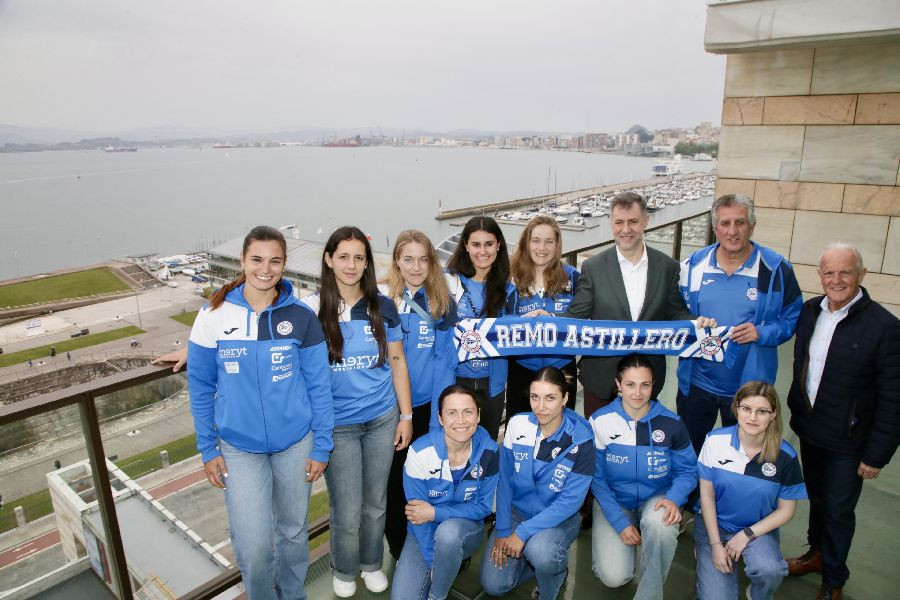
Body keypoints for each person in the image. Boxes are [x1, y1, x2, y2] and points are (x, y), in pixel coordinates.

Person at [186, 225, 334, 600]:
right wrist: (207, 448)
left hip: (296, 444)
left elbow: (319, 385)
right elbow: (200, 386)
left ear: (284, 264)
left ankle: (293, 595)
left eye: (274, 261)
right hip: (238, 448)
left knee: (293, 533)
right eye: (257, 259)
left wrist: (322, 446)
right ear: (242, 260)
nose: (265, 269)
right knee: (253, 547)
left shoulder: (301, 316)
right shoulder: (213, 315)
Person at [300, 226, 414, 598]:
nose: (351, 265)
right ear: (329, 259)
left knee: (376, 503)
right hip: (338, 426)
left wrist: (406, 416)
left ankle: (371, 563)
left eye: (359, 258)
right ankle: (345, 568)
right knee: (346, 508)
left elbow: (397, 361)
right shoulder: (310, 310)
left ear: (367, 263)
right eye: (343, 257)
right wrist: (196, 349)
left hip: (382, 419)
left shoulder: (383, 306)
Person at [783, 242, 898, 600]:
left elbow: (894, 398)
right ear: (820, 276)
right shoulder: (810, 311)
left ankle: (833, 580)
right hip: (811, 429)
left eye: (845, 272)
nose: (836, 280)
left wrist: (876, 455)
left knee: (838, 510)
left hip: (849, 441)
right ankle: (816, 554)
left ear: (862, 274)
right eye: (829, 272)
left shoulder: (885, 327)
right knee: (817, 500)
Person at [567, 191, 714, 418]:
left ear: (646, 220)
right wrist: (545, 320)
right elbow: (576, 315)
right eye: (619, 222)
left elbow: (675, 312)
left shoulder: (667, 267)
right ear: (611, 224)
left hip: (647, 380)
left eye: (633, 221)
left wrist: (696, 323)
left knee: (642, 437)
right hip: (601, 379)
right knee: (598, 438)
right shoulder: (593, 267)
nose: (626, 229)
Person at [677, 194, 802, 456]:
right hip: (696, 385)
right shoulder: (693, 266)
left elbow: (792, 316)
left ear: (752, 226)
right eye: (725, 223)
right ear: (715, 228)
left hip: (749, 391)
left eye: (740, 222)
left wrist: (761, 333)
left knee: (741, 458)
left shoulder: (775, 269)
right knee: (690, 455)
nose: (732, 231)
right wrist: (691, 323)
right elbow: (676, 312)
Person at [480, 366, 595, 599]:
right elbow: (505, 481)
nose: (541, 406)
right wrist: (503, 529)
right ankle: (535, 561)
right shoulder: (517, 425)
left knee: (541, 552)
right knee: (494, 585)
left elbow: (570, 502)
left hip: (558, 519)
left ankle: (553, 573)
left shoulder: (581, 437)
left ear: (565, 398)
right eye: (535, 397)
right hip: (516, 514)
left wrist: (522, 534)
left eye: (550, 398)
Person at [589, 354, 697, 599]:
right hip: (614, 501)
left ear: (653, 385)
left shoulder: (671, 423)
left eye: (645, 385)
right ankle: (615, 549)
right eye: (630, 384)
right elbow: (596, 478)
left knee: (661, 526)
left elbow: (688, 471)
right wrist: (619, 522)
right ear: (618, 384)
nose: (637, 393)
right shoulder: (600, 421)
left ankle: (649, 594)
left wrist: (675, 498)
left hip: (656, 498)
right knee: (614, 577)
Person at [383, 230, 458, 560]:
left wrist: (439, 418)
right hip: (390, 410)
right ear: (397, 261)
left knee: (428, 477)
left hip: (427, 407)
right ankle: (399, 548)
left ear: (432, 263)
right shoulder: (383, 302)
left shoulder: (442, 303)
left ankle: (433, 543)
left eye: (423, 260)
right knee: (393, 482)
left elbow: (445, 362)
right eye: (408, 259)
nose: (416, 267)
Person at [694, 381, 807, 600]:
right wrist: (715, 544)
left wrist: (746, 534)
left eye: (762, 411)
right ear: (736, 408)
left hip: (757, 530)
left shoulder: (786, 456)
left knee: (770, 570)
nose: (752, 417)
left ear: (773, 415)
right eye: (746, 408)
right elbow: (706, 496)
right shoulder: (715, 441)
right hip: (714, 526)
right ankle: (706, 553)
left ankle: (759, 594)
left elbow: (786, 510)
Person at [392, 384, 499, 600]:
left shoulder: (490, 452)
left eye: (467, 412)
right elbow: (417, 516)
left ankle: (437, 596)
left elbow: (482, 508)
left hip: (465, 529)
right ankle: (446, 563)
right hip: (422, 532)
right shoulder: (420, 453)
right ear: (440, 419)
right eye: (452, 413)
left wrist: (435, 513)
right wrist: (434, 562)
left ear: (478, 415)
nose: (461, 420)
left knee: (448, 534)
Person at [445, 216, 516, 440]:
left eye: (489, 244)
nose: (482, 251)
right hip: (456, 379)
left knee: (488, 444)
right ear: (466, 246)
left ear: (499, 245)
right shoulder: (448, 282)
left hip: (493, 384)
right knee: (456, 443)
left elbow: (514, 334)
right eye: (476, 244)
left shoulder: (509, 289)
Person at [507, 215, 579, 417]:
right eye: (536, 241)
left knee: (563, 428)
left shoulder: (572, 277)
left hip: (562, 368)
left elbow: (584, 319)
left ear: (557, 245)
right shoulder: (510, 277)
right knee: (521, 427)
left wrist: (552, 318)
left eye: (549, 242)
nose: (542, 248)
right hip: (522, 369)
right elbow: (498, 318)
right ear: (526, 243)